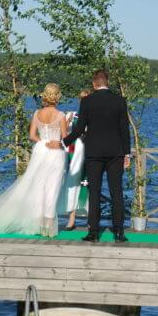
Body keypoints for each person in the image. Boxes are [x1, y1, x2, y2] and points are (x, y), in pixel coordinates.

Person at [0, 83, 67, 237]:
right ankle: (48, 227)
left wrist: (42, 141)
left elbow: (32, 135)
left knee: (38, 187)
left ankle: (39, 225)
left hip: (40, 149)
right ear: (57, 96)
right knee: (52, 188)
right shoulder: (60, 115)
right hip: (55, 151)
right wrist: (56, 141)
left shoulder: (37, 113)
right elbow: (65, 138)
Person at [48, 69, 130, 243]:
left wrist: (63, 142)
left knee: (94, 192)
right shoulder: (120, 101)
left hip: (94, 153)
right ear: (107, 82)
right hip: (116, 153)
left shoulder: (87, 101)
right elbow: (124, 130)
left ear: (94, 84)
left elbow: (78, 129)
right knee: (117, 192)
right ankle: (119, 232)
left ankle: (93, 232)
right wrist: (127, 154)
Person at [56, 89, 91, 231]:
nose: (84, 101)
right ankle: (71, 219)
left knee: (89, 186)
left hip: (88, 154)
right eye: (82, 98)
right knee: (71, 185)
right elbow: (62, 136)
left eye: (87, 99)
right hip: (73, 155)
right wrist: (66, 122)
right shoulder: (71, 115)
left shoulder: (94, 117)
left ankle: (91, 219)